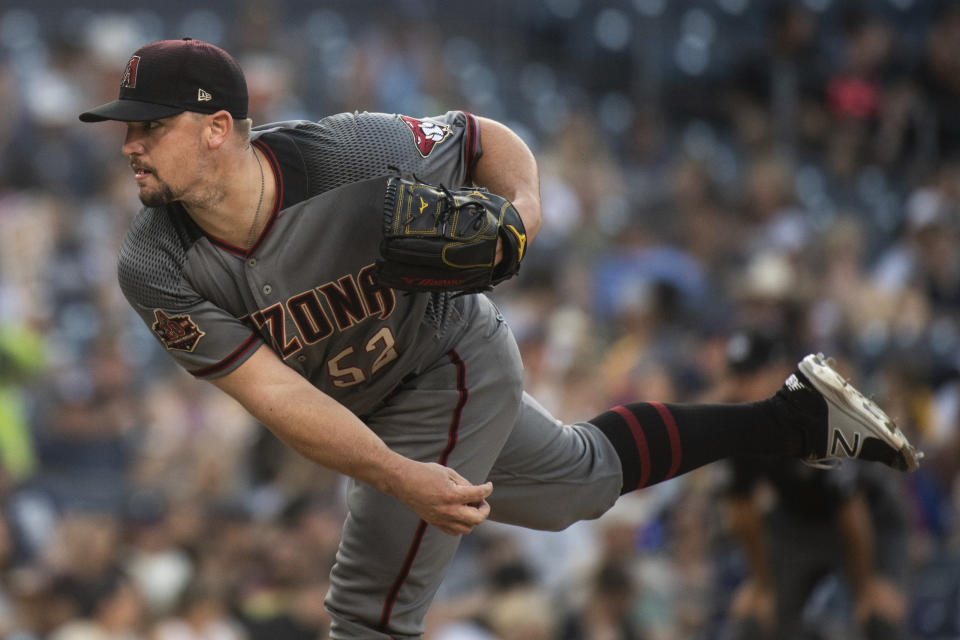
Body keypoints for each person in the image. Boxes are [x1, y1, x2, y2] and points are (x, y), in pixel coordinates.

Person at [79, 38, 922, 640]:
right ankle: (795, 422)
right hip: (372, 412)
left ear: (218, 128)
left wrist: (523, 214)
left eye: (148, 128)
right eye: (127, 129)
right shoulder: (155, 265)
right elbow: (273, 394)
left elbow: (486, 141)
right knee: (578, 487)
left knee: (366, 615)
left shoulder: (350, 156)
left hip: (448, 362)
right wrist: (396, 472)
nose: (129, 145)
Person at [719, 331, 910, 640]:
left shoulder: (811, 414)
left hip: (870, 519)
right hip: (799, 519)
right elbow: (742, 511)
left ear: (778, 371)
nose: (742, 386)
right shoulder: (740, 423)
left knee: (879, 617)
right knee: (753, 621)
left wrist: (865, 591)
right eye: (737, 376)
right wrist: (761, 584)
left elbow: (851, 509)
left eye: (751, 374)